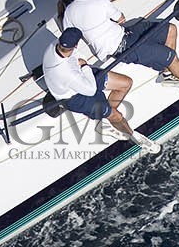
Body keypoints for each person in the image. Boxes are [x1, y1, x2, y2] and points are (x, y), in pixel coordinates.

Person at [41, 27, 158, 155]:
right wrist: (85, 66)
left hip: (80, 77)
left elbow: (77, 58)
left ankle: (105, 119)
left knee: (125, 83)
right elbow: (90, 90)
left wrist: (82, 66)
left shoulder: (54, 45)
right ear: (75, 44)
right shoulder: (67, 72)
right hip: (75, 97)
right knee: (117, 116)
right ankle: (135, 137)